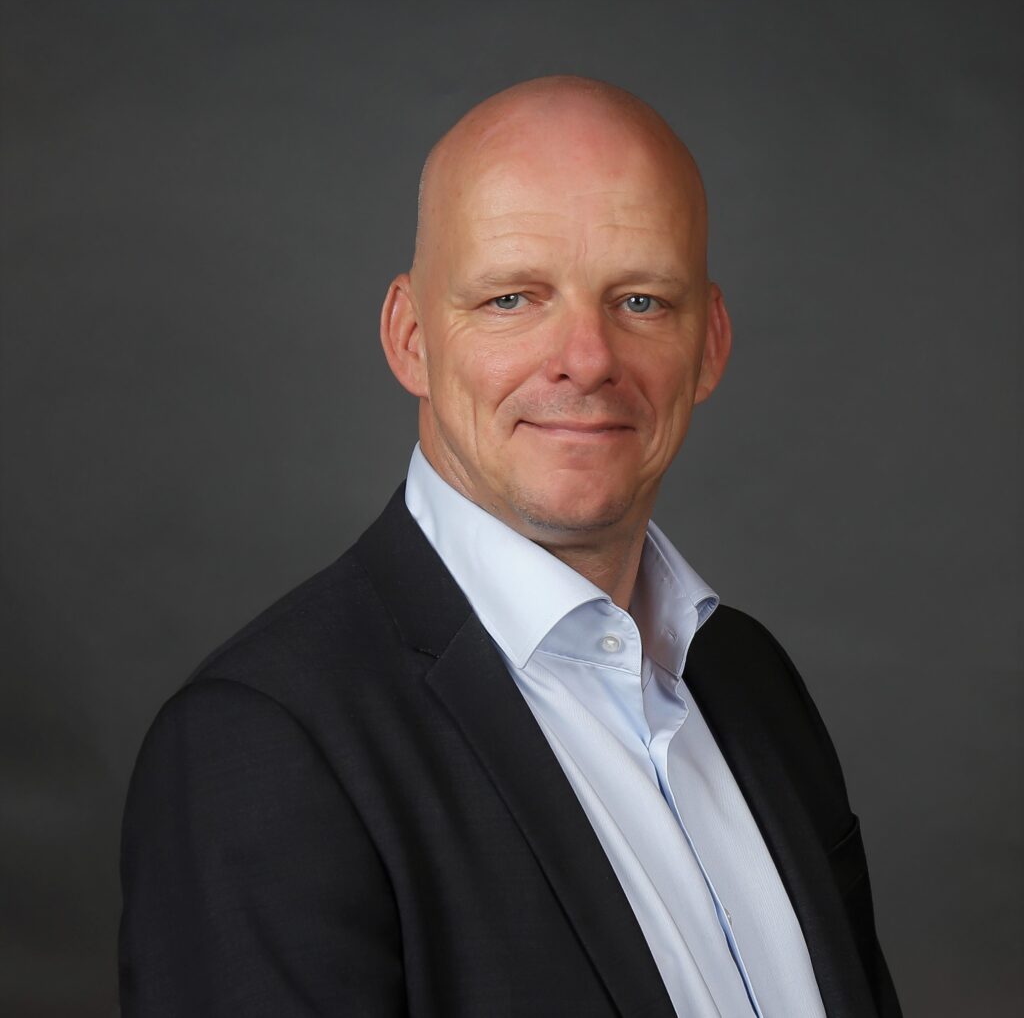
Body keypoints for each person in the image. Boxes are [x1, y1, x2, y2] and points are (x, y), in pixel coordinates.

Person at [119, 76, 900, 1017]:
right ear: (411, 338)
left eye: (642, 300)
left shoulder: (752, 682)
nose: (588, 357)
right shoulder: (264, 748)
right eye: (511, 298)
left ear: (710, 344)